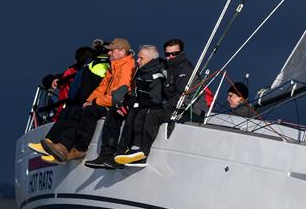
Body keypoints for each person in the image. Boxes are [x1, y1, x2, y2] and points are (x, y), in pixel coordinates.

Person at [41, 38, 136, 162]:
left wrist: (94, 102)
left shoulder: (128, 67)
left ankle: (79, 149)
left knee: (88, 111)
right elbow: (101, 87)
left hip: (118, 104)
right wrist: (89, 100)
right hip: (108, 102)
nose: (109, 53)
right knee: (81, 109)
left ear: (122, 51)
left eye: (111, 51)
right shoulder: (114, 66)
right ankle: (63, 147)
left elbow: (117, 96)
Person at [114, 38, 205, 166]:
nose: (170, 57)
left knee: (153, 114)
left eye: (175, 54)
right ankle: (134, 149)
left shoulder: (186, 69)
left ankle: (143, 154)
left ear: (181, 53)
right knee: (142, 112)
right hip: (173, 105)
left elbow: (182, 95)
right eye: (167, 54)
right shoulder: (167, 67)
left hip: (190, 109)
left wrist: (163, 106)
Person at [85, 45, 167, 169]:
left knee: (133, 116)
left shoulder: (157, 74)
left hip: (147, 107)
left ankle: (121, 154)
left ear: (150, 59)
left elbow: (156, 99)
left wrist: (134, 104)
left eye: (141, 58)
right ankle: (106, 155)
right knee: (115, 112)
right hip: (136, 102)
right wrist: (123, 102)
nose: (137, 61)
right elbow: (132, 91)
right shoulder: (141, 70)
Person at [28, 43, 110, 156]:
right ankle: (51, 144)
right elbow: (50, 79)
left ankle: (61, 149)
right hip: (69, 107)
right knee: (69, 113)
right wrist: (52, 80)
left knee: (75, 114)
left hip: (80, 104)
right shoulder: (78, 70)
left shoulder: (93, 69)